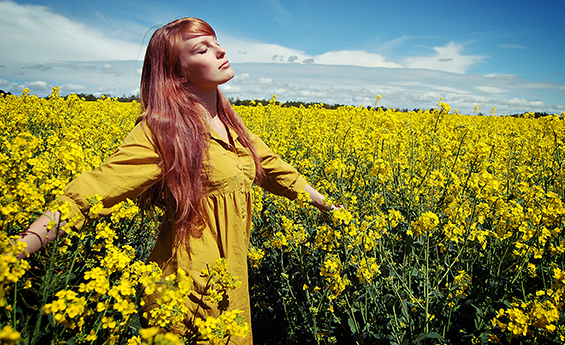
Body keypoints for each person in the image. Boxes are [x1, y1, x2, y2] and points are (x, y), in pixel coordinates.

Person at [17, 17, 331, 344]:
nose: (221, 50)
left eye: (216, 42)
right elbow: (90, 194)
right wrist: (14, 251)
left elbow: (271, 166)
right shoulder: (161, 132)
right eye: (202, 49)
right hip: (185, 292)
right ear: (177, 72)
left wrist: (326, 205)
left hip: (231, 281)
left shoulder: (231, 126)